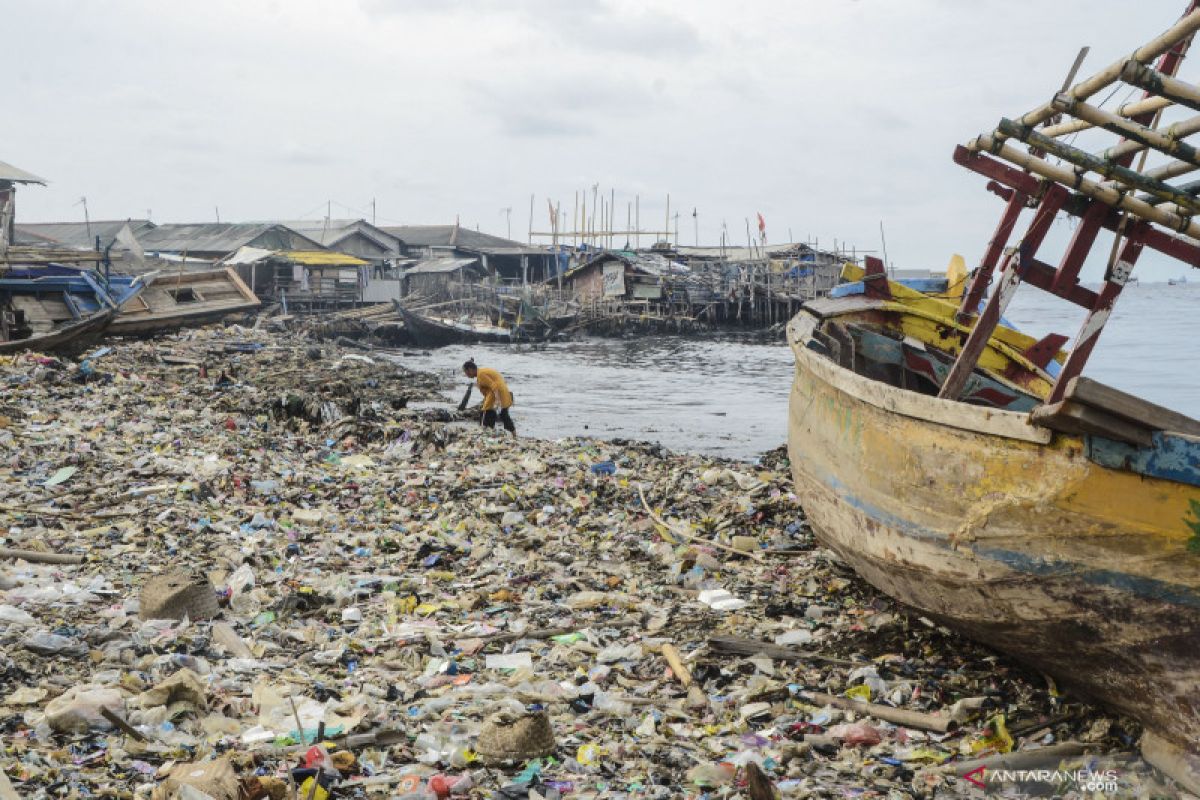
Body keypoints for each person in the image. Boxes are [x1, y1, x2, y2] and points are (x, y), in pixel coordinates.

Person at [458, 358, 516, 435]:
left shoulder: (481, 374)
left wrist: (497, 400)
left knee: (485, 415)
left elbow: (494, 386)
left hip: (496, 395)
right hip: (504, 393)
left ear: (470, 369)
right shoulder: (483, 372)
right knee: (504, 415)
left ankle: (486, 433)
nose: (466, 375)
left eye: (466, 372)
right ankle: (514, 434)